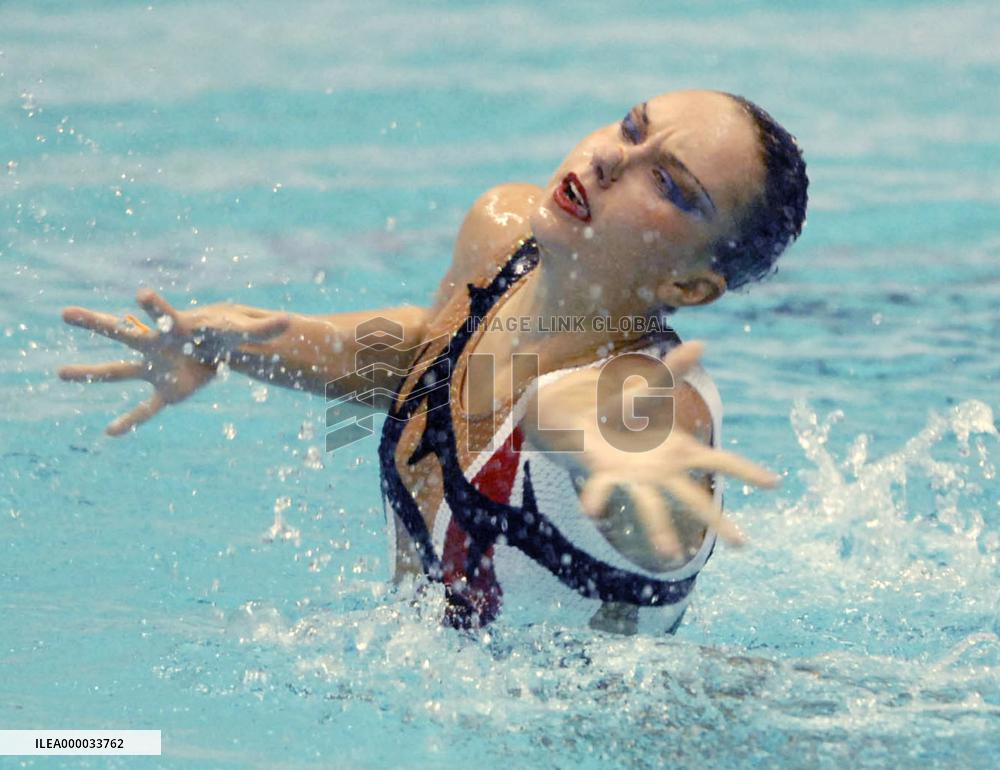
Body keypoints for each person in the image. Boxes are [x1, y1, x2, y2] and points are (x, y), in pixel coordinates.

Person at [58, 89, 808, 635]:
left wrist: (589, 438)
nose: (612, 158)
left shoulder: (654, 404)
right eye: (630, 126)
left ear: (688, 287)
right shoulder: (504, 234)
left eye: (669, 183)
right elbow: (428, 353)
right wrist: (228, 343)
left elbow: (654, 477)